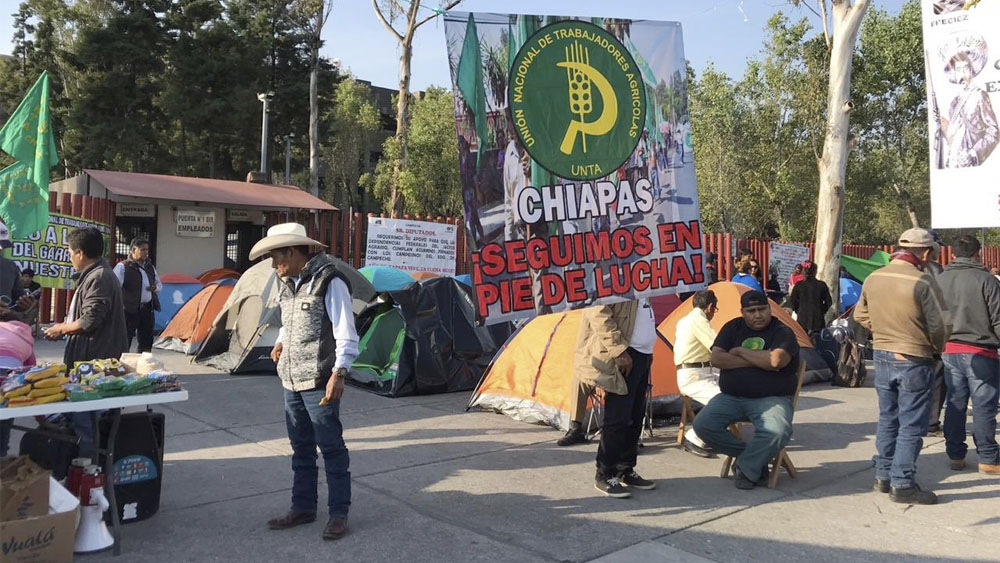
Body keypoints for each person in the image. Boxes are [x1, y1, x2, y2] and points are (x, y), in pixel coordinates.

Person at [250, 223, 358, 540]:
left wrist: (339, 373)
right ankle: (304, 507)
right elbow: (289, 321)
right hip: (290, 380)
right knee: (301, 450)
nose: (273, 265)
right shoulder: (287, 283)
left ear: (293, 252)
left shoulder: (330, 281)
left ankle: (339, 513)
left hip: (319, 381)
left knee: (332, 448)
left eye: (275, 258)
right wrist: (282, 341)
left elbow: (345, 333)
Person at [853, 228, 950, 505]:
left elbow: (860, 314)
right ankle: (903, 483)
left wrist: (884, 332)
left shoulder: (874, 277)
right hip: (915, 357)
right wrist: (934, 347)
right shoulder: (923, 281)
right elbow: (940, 326)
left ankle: (883, 476)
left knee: (888, 418)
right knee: (911, 424)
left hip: (883, 354)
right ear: (927, 253)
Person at [693, 290, 800, 490]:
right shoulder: (732, 327)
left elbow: (775, 360)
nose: (758, 315)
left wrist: (740, 352)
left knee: (778, 431)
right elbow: (716, 359)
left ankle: (746, 467)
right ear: (743, 312)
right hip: (731, 397)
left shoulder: (782, 331)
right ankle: (752, 460)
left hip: (772, 398)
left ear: (770, 309)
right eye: (751, 311)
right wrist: (760, 360)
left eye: (762, 309)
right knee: (702, 425)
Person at [43, 227, 129, 457]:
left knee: (87, 422)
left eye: (70, 252)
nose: (69, 257)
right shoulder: (95, 275)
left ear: (80, 253)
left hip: (95, 365)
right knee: (86, 421)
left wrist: (61, 328)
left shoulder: (99, 277)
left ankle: (88, 471)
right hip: (90, 361)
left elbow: (90, 320)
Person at [575, 299, 656, 498]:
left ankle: (625, 468)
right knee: (618, 417)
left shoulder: (643, 276)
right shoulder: (612, 275)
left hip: (643, 354)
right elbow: (598, 312)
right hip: (625, 353)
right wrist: (618, 349)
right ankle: (605, 472)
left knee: (635, 417)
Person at [935, 235, 1000, 475]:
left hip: (949, 350)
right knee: (984, 406)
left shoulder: (940, 280)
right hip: (981, 351)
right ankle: (988, 458)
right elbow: (998, 319)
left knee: (955, 403)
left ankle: (955, 455)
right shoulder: (987, 280)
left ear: (952, 255)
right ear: (978, 254)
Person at [673, 290, 721, 458]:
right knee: (726, 401)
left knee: (734, 389)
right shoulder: (698, 319)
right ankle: (694, 436)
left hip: (696, 371)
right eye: (715, 310)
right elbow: (716, 347)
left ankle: (709, 433)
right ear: (710, 307)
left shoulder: (685, 320)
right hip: (695, 375)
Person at [113, 238, 162, 353]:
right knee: (125, 340)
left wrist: (155, 288)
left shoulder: (150, 266)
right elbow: (114, 288)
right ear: (134, 250)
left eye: (147, 250)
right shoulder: (123, 267)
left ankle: (143, 366)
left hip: (147, 309)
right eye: (143, 249)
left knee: (146, 342)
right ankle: (121, 366)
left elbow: (159, 284)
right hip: (129, 310)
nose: (146, 252)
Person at [785, 261, 832, 337]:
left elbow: (792, 301)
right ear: (815, 271)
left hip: (802, 319)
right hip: (818, 319)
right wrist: (822, 311)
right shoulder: (821, 285)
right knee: (818, 341)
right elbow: (828, 302)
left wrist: (798, 310)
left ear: (803, 271)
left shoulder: (799, 285)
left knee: (803, 341)